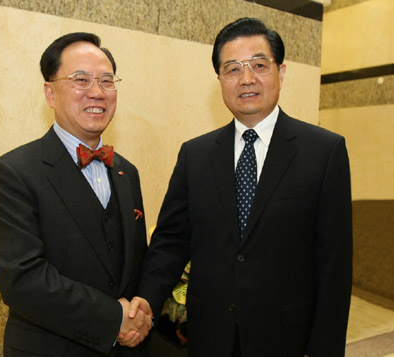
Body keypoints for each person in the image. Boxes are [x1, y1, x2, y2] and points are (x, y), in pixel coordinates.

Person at [132, 18, 353, 356]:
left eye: (259, 65)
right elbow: (172, 240)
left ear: (281, 73)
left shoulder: (324, 151)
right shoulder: (196, 154)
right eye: (232, 69)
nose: (246, 78)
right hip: (209, 337)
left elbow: (334, 265)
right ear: (219, 79)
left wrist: (324, 349)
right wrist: (146, 300)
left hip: (287, 339)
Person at [0, 32, 152, 357]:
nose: (96, 92)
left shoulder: (127, 172)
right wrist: (113, 318)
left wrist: (141, 310)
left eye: (107, 81)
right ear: (50, 92)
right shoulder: (13, 172)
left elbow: (135, 263)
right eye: (81, 79)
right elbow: (23, 279)